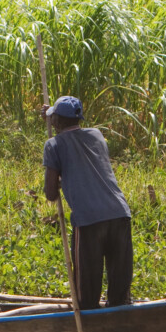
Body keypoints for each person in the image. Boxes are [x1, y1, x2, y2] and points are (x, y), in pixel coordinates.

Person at [41, 95, 133, 309]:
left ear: (56, 121)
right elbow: (77, 153)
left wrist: (60, 179)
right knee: (120, 293)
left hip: (89, 221)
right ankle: (119, 321)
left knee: (87, 295)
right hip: (119, 213)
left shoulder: (53, 145)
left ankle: (90, 328)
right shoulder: (97, 135)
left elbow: (50, 193)